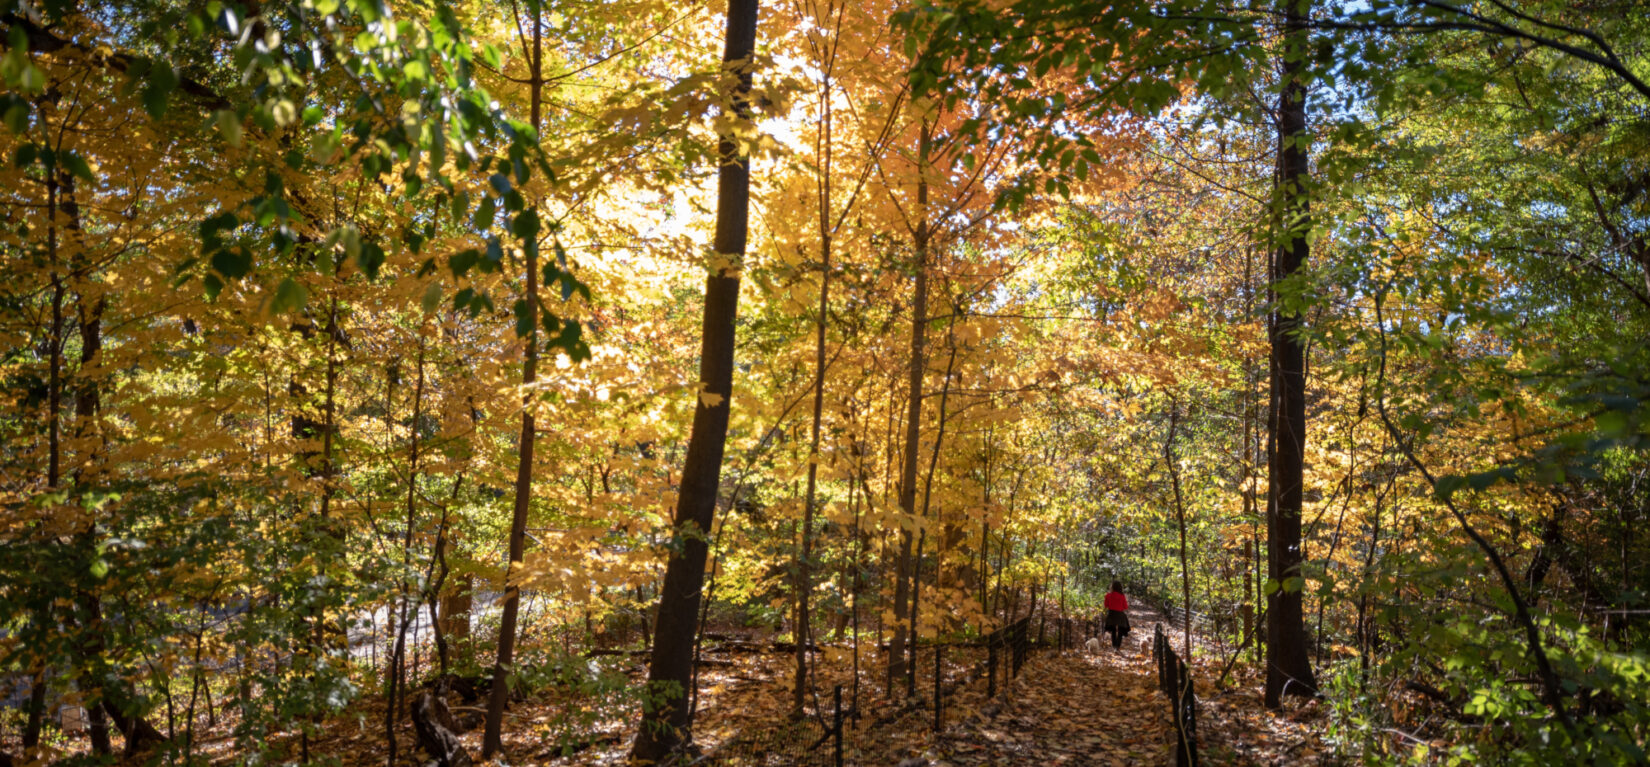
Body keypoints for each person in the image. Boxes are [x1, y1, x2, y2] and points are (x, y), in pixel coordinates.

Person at [1103, 580, 1130, 651]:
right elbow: (1125, 607)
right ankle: (1117, 646)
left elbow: (1106, 605)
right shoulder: (1122, 596)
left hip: (1111, 614)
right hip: (1120, 614)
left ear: (1112, 587)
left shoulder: (1108, 595)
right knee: (1120, 630)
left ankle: (1114, 645)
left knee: (1113, 630)